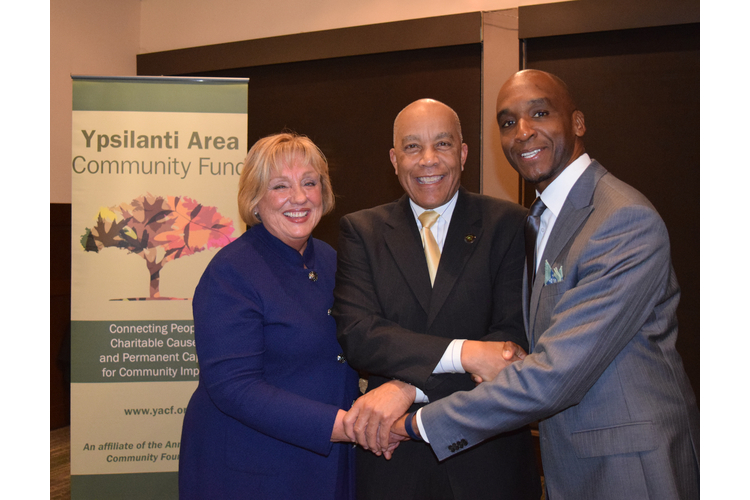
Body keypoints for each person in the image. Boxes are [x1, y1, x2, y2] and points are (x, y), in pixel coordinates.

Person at [392, 70, 700, 500]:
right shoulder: (540, 219)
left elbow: (557, 371)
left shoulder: (620, 219)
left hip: (629, 466)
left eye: (540, 112)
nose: (522, 132)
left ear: (577, 122)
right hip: (574, 460)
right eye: (506, 122)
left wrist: (415, 422)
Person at [332, 99, 542, 500]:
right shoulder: (362, 231)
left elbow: (511, 343)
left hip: (488, 463)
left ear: (462, 154)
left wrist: (410, 389)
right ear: (394, 160)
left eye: (442, 144)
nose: (428, 160)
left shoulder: (510, 224)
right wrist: (466, 353)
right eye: (412, 147)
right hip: (392, 466)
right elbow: (360, 334)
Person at [179, 132, 359, 499]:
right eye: (280, 186)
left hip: (326, 461)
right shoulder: (230, 271)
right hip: (254, 469)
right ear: (255, 200)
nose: (299, 197)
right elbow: (234, 386)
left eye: (309, 182)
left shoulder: (329, 258)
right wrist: (342, 425)